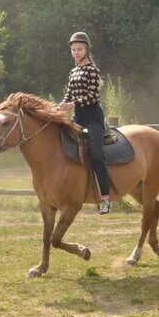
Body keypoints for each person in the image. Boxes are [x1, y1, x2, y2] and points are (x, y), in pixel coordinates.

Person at [57, 31, 113, 215]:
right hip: (78, 118)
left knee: (97, 154)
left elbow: (93, 96)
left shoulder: (92, 70)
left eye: (79, 49)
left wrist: (72, 104)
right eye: (73, 50)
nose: (76, 52)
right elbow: (70, 93)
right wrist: (61, 105)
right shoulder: (73, 71)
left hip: (93, 117)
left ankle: (105, 198)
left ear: (87, 50)